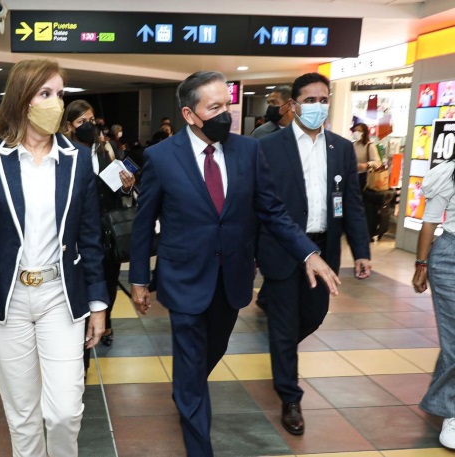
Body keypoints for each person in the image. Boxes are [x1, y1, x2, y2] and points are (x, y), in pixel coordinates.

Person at [129, 71, 340, 457]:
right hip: (183, 278)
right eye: (215, 107)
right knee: (191, 361)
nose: (225, 113)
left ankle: (187, 389)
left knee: (212, 351)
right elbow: (144, 224)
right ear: (190, 114)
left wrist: (308, 253)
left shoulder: (247, 151)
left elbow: (272, 210)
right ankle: (198, 440)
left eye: (227, 104)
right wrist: (139, 279)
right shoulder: (161, 157)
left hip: (232, 278)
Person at [0, 59, 109, 457]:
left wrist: (99, 304)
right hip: (6, 298)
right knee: (23, 414)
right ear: (22, 98)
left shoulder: (78, 159)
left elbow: (90, 237)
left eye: (60, 94)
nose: (56, 102)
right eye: (45, 93)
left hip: (60, 296)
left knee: (65, 411)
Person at [256, 72, 371, 436]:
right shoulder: (269, 147)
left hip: (325, 247)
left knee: (314, 315)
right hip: (282, 248)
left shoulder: (341, 148)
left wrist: (362, 250)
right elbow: (262, 205)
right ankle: (290, 398)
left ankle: (282, 348)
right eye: (310, 100)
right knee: (284, 323)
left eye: (324, 100)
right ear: (293, 105)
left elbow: (351, 202)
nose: (318, 106)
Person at [61, 99, 135, 351]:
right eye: (81, 121)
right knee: (81, 278)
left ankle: (106, 320)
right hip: (77, 230)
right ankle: (81, 323)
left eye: (91, 120)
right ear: (69, 125)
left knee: (109, 278)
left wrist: (127, 186)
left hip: (107, 228)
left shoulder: (108, 149)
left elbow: (123, 186)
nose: (88, 126)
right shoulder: (64, 153)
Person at [412, 156, 455, 450]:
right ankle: (451, 412)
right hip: (450, 259)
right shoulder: (448, 173)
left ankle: (440, 397)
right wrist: (421, 264)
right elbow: (429, 222)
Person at [352, 122, 382, 191]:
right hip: (352, 175)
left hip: (365, 177)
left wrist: (366, 164)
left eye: (359, 131)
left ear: (364, 133)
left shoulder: (370, 146)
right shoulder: (353, 145)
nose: (356, 132)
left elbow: (377, 163)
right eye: (355, 130)